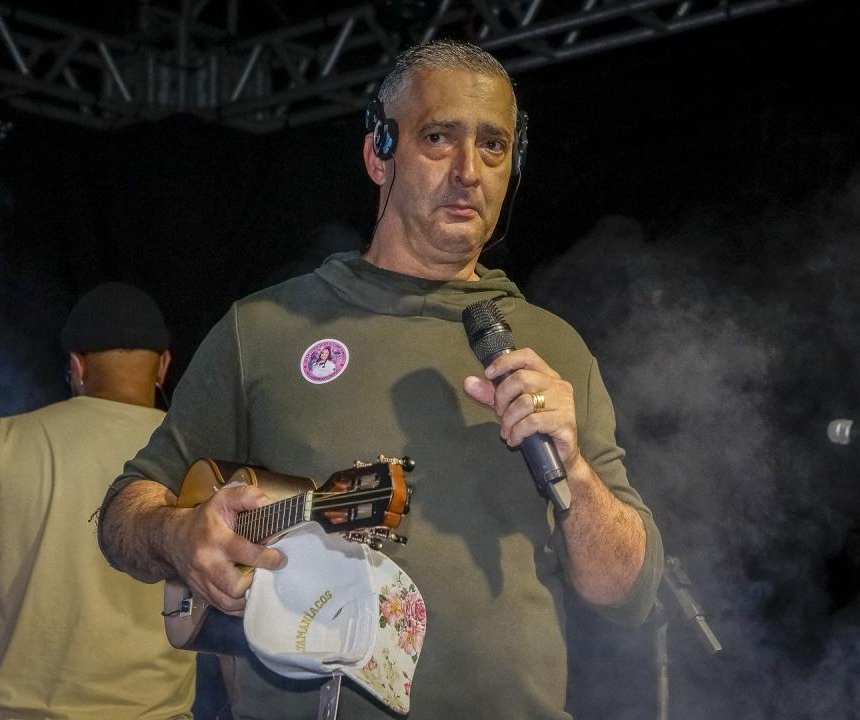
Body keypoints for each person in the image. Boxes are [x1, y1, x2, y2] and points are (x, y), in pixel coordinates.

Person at [97, 40, 664, 719]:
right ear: (378, 154)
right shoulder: (264, 329)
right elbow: (124, 513)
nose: (468, 172)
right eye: (438, 138)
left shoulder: (555, 348)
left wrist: (575, 470)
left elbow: (624, 593)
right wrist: (175, 537)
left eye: (493, 146)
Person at [0, 282, 197, 720]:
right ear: (164, 366)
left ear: (78, 366)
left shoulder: (8, 439)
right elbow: (228, 600)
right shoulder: (194, 455)